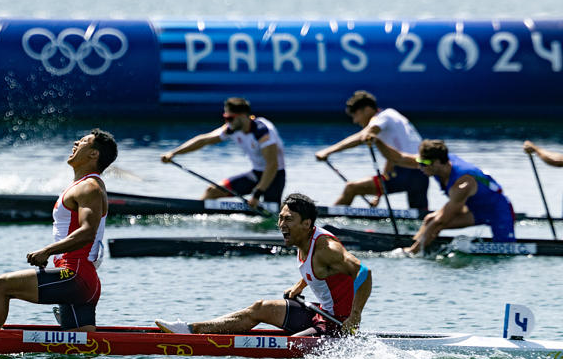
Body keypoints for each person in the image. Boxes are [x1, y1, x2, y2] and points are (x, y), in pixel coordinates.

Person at [154, 193, 372, 337]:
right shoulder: (303, 238)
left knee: (291, 348)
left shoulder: (327, 248)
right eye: (280, 218)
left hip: (337, 325)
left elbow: (363, 272)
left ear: (306, 224)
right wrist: (299, 287)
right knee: (260, 308)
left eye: (288, 220)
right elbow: (322, 272)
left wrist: (355, 317)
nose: (281, 225)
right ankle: (191, 330)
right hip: (320, 313)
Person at [0, 128, 118, 331]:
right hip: (82, 280)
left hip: (72, 275)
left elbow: (88, 231)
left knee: (1, 286)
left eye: (82, 141)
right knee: (80, 351)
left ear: (94, 154)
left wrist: (47, 251)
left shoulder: (88, 187)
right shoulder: (85, 186)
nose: (75, 143)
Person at [373, 137, 515, 254]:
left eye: (424, 164)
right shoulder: (437, 163)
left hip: (499, 211)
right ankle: (415, 242)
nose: (420, 167)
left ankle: (415, 248)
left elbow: (441, 221)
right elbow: (399, 158)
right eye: (419, 163)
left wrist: (410, 253)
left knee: (505, 253)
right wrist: (377, 141)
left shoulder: (462, 184)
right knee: (429, 219)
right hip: (475, 208)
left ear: (438, 163)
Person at [160, 97, 286, 208]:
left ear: (242, 116)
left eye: (229, 118)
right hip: (256, 174)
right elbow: (203, 140)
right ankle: (197, 214)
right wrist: (173, 153)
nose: (227, 122)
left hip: (275, 176)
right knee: (212, 191)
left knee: (272, 213)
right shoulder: (232, 129)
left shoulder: (262, 132)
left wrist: (257, 194)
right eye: (225, 117)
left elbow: (272, 165)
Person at [315, 90, 429, 211]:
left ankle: (327, 225)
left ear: (367, 109)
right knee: (421, 218)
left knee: (352, 188)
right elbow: (392, 158)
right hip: (422, 172)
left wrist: (328, 151)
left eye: (355, 114)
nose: (355, 121)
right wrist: (378, 196)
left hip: (406, 173)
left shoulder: (380, 118)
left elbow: (362, 137)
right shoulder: (393, 116)